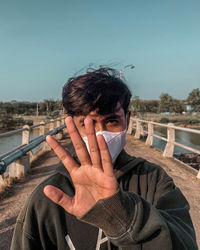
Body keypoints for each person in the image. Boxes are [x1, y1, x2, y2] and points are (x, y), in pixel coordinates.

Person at [11, 67, 197, 250]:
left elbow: (185, 243)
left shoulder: (154, 181)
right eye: (87, 124)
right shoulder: (48, 196)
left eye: (112, 121)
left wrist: (125, 216)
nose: (99, 136)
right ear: (71, 126)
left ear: (128, 119)